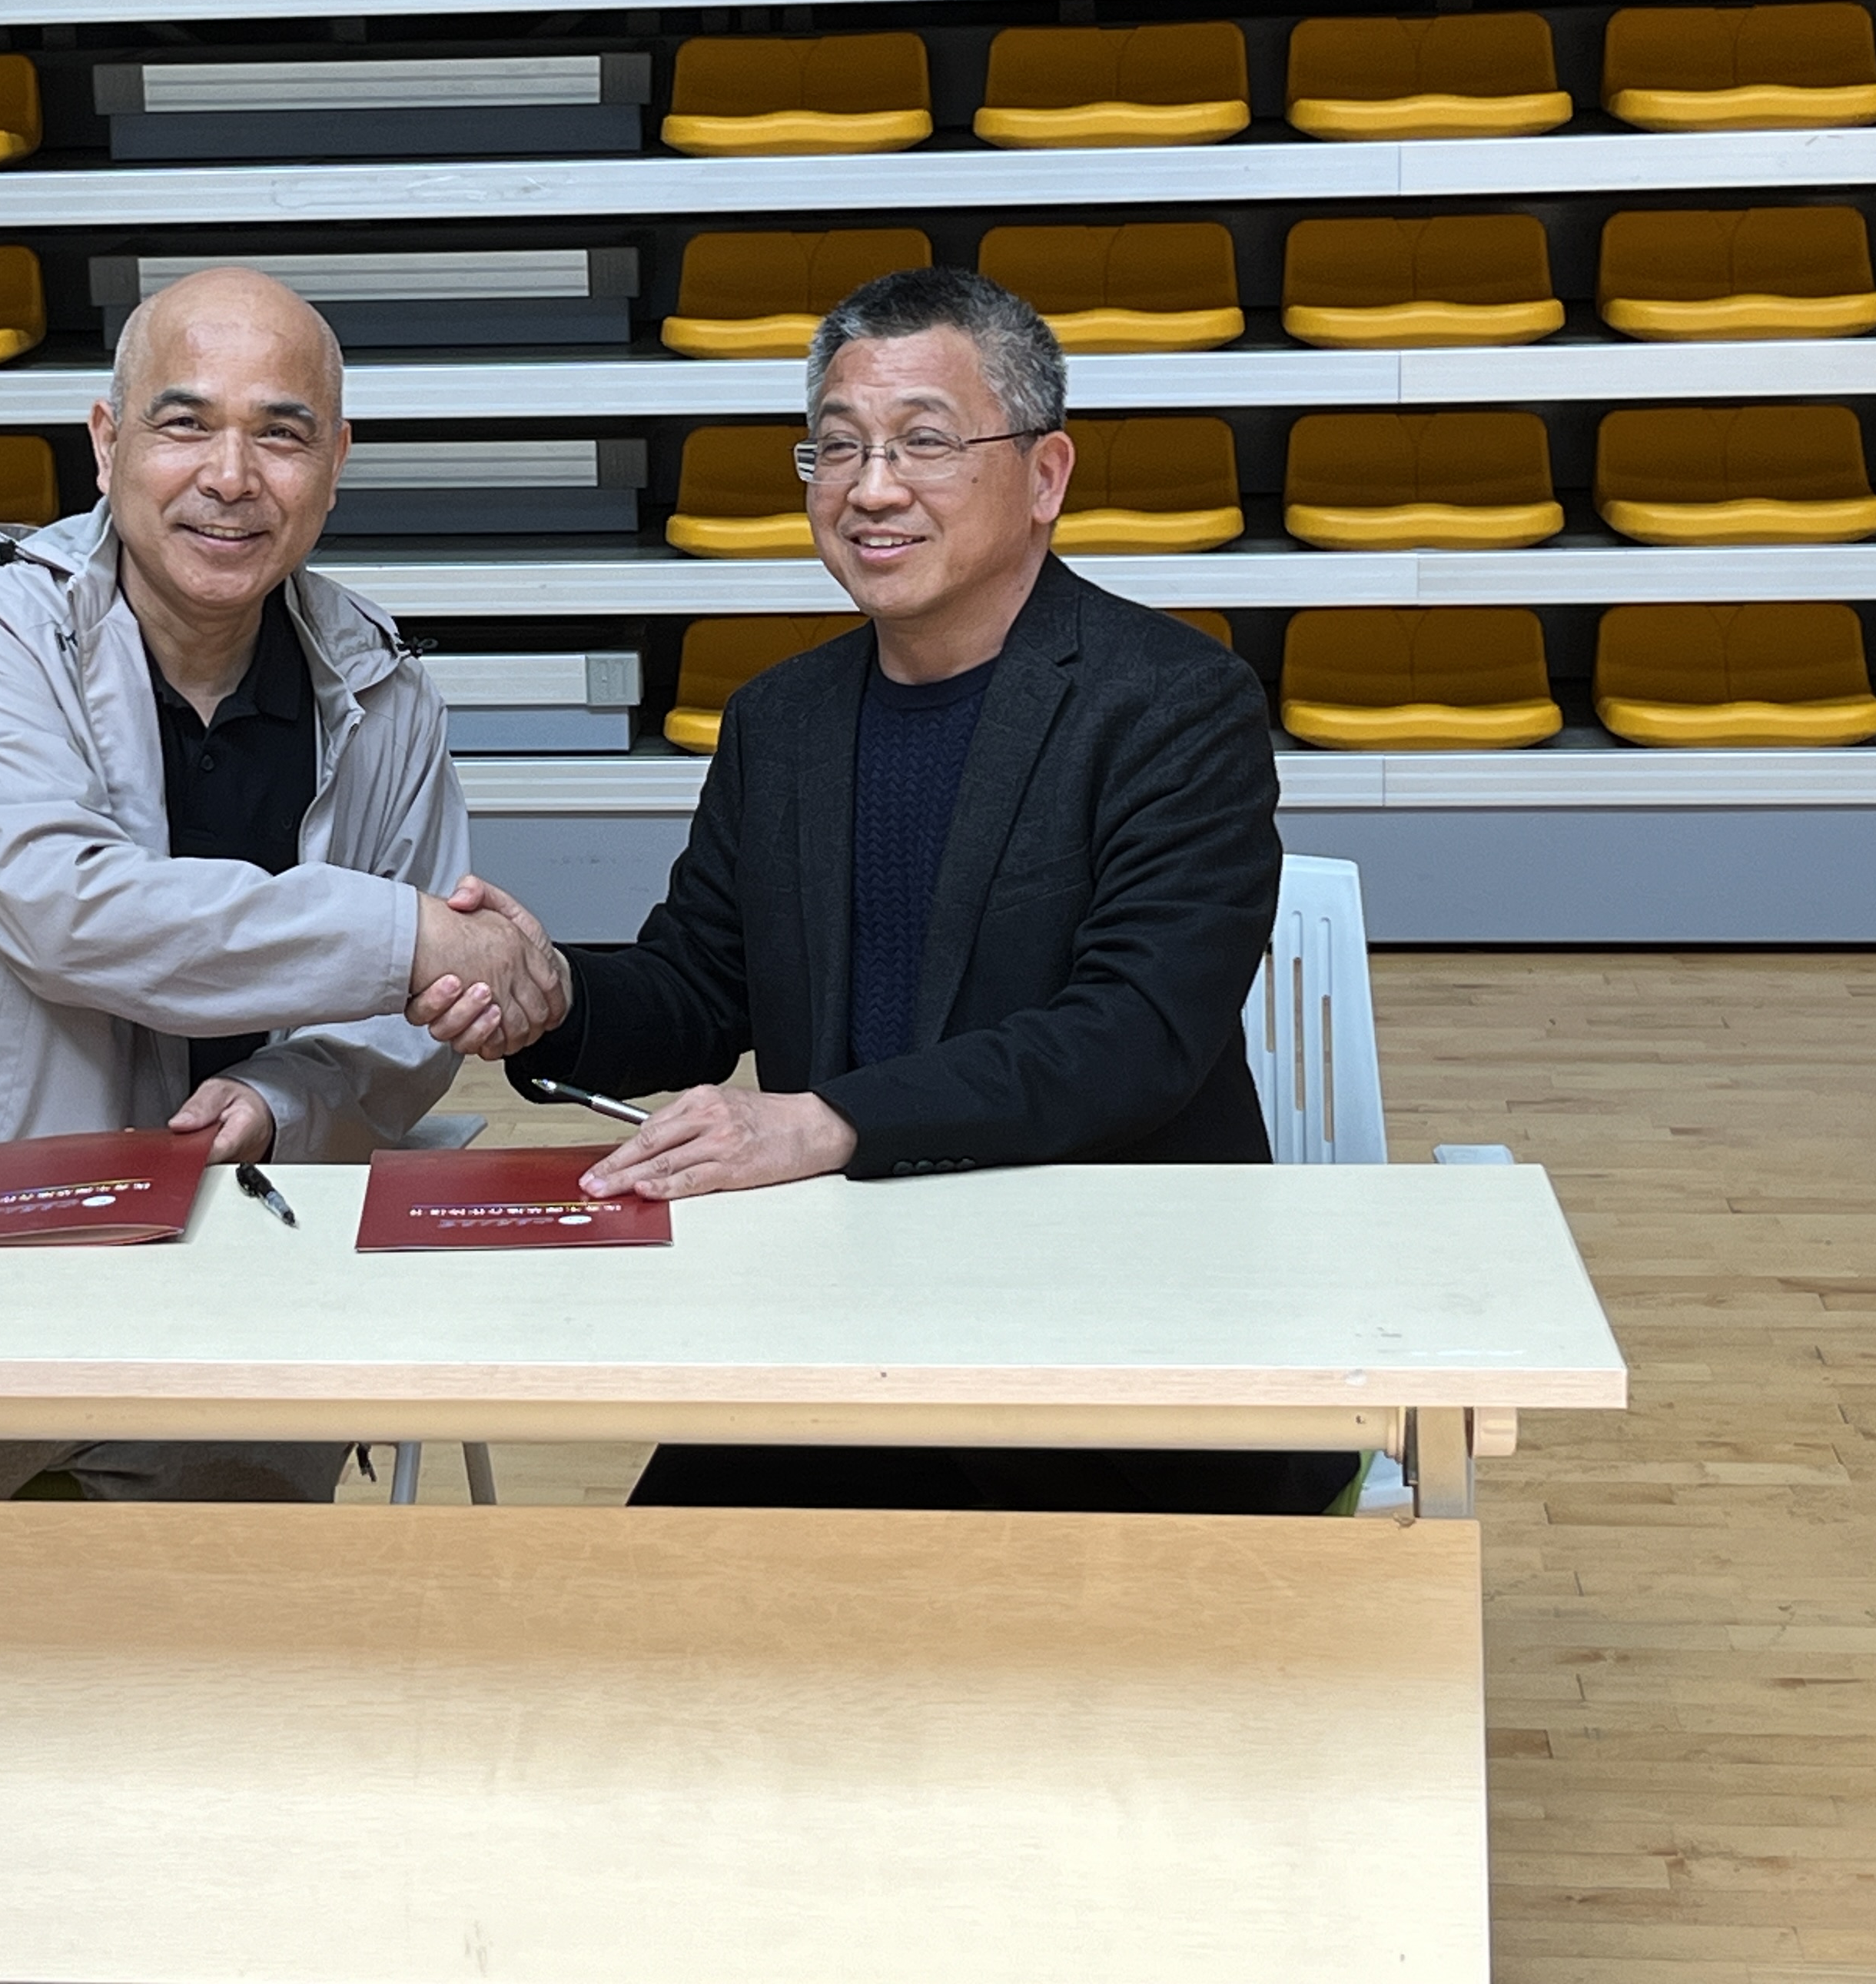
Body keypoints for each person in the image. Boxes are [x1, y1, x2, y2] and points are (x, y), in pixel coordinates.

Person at [428, 264, 1344, 1515]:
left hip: (1121, 1340)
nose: (871, 488)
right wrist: (548, 993)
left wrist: (824, 1123)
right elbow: (701, 987)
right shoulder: (781, 721)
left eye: (924, 442)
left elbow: (1136, 1035)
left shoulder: (1174, 703)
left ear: (1045, 475)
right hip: (845, 1326)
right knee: (642, 1597)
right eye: (838, 447)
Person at [0, 265, 567, 1507]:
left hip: (255, 1251)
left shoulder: (384, 686)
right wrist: (411, 940)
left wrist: (286, 1097)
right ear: (108, 441)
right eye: (186, 424)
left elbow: (406, 1025)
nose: (231, 477)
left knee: (206, 1611)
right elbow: (72, 913)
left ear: (335, 462)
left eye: (281, 435)